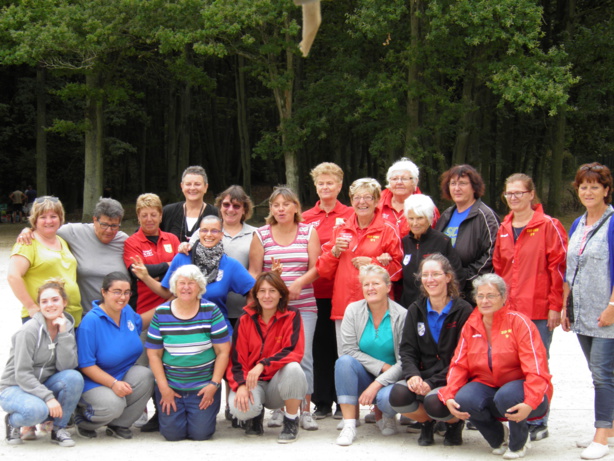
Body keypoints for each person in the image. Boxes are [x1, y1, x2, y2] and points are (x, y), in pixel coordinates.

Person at [437, 274, 552, 459]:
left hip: (521, 390)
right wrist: (449, 394)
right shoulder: (471, 325)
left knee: (506, 395)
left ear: (503, 297)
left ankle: (518, 443)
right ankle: (499, 438)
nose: (485, 301)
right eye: (480, 296)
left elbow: (536, 367)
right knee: (464, 398)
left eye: (491, 295)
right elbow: (459, 364)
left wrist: (531, 401)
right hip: (489, 386)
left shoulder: (519, 322)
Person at [493, 173, 567, 442]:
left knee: (537, 367)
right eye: (509, 193)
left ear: (531, 195)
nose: (513, 198)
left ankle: (539, 420)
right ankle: (513, 416)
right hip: (509, 311)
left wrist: (555, 306)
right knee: (511, 366)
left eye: (519, 193)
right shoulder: (504, 227)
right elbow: (499, 270)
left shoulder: (549, 225)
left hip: (537, 310)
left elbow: (558, 268)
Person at [249, 186, 321, 430]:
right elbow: (255, 273)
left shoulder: (309, 231)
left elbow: (316, 267)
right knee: (274, 354)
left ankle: (306, 409)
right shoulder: (261, 235)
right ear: (270, 209)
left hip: (304, 305)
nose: (281, 209)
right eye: (276, 205)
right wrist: (274, 278)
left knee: (305, 357)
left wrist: (299, 282)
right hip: (271, 307)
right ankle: (279, 409)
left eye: (286, 204)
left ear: (296, 207)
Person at [389, 254, 473, 446]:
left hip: (452, 375)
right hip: (423, 374)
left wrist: (432, 382)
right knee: (398, 395)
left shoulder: (464, 310)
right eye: (425, 275)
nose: (430, 279)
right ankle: (426, 423)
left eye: (436, 274)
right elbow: (407, 350)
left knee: (434, 402)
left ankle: (454, 424)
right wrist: (412, 376)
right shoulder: (415, 309)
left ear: (448, 277)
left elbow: (463, 357)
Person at [562, 163, 614, 460]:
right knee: (603, 372)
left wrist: (612, 307)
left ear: (606, 190)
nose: (589, 191)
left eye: (595, 186)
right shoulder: (578, 224)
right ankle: (611, 428)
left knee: (602, 376)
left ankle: (600, 436)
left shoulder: (612, 223)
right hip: (582, 313)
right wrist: (566, 306)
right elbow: (570, 270)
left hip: (607, 315)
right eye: (583, 186)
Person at [317, 178, 403, 354]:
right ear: (351, 200)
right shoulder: (340, 230)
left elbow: (398, 270)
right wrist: (334, 252)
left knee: (379, 360)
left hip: (377, 309)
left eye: (368, 197)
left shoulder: (387, 229)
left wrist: (373, 263)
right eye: (357, 197)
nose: (362, 202)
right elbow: (323, 271)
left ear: (377, 200)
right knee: (346, 362)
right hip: (344, 308)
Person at [146, 265, 231, 441]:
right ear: (174, 287)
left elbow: (223, 351)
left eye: (191, 283)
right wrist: (164, 388)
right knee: (172, 435)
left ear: (199, 287)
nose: (186, 287)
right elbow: (154, 354)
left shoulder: (211, 311)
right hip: (171, 387)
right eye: (182, 283)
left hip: (203, 388)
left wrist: (213, 385)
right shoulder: (161, 313)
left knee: (200, 434)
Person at [132, 215, 255, 333]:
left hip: (218, 330)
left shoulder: (230, 265)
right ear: (199, 233)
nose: (208, 235)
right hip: (183, 329)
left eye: (214, 231)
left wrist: (250, 321)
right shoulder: (182, 258)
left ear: (222, 235)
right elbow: (166, 293)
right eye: (204, 230)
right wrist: (145, 277)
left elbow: (254, 291)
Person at [0, 279, 84, 447]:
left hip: (42, 385)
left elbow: (66, 368)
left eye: (55, 300)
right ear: (39, 305)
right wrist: (48, 398)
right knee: (37, 411)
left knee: (74, 377)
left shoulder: (65, 327)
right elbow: (22, 374)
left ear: (64, 302)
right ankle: (12, 421)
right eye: (44, 301)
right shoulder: (28, 331)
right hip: (15, 387)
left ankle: (58, 429)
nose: (50, 305)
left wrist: (64, 335)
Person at [226, 272, 308, 443]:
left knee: (294, 368)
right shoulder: (244, 319)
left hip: (278, 384)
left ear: (280, 294)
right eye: (262, 291)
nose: (267, 296)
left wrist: (262, 364)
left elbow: (293, 351)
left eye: (272, 291)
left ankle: (291, 420)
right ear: (255, 294)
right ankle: (254, 417)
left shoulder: (292, 315)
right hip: (252, 383)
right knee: (240, 409)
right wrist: (240, 385)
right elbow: (236, 359)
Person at [75, 272, 154, 439]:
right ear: (104, 292)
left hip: (122, 373)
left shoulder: (126, 311)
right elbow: (86, 365)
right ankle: (83, 420)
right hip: (94, 381)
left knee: (146, 375)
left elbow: (139, 323)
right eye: (117, 291)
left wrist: (170, 304)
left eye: (127, 292)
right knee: (113, 404)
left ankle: (119, 424)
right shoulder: (91, 322)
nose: (122, 297)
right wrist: (114, 384)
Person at [16, 198, 130, 314]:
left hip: (118, 314)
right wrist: (28, 230)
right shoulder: (74, 232)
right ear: (95, 220)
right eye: (104, 225)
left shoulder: (123, 240)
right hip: (86, 314)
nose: (109, 230)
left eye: (114, 226)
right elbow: (47, 228)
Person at [302, 162, 353, 420]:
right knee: (319, 347)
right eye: (321, 183)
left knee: (341, 348)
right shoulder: (306, 217)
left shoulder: (352, 213)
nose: (325, 187)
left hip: (344, 291)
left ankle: (340, 400)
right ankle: (322, 401)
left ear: (340, 185)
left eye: (330, 182)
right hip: (316, 290)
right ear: (315, 186)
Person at [334, 265, 406, 446]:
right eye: (366, 284)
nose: (370, 288)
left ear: (388, 287)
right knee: (344, 362)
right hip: (364, 374)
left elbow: (404, 360)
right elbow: (348, 350)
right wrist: (380, 366)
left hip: (392, 378)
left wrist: (377, 383)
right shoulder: (353, 310)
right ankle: (349, 424)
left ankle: (388, 415)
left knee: (385, 398)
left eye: (376, 283)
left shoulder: (402, 315)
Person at [8, 196, 82, 324]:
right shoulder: (27, 243)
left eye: (53, 216)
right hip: (43, 317)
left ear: (60, 218)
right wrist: (31, 307)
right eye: (42, 217)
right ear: (35, 220)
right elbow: (13, 276)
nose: (49, 221)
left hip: (71, 316)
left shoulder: (62, 241)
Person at [435, 165, 500, 300]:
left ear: (474, 187)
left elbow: (493, 253)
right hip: (446, 288)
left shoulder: (485, 216)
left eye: (462, 183)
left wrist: (465, 276)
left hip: (473, 292)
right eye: (453, 183)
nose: (457, 188)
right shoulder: (446, 215)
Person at [400, 194, 463, 308]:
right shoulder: (404, 242)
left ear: (429, 219)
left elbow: (456, 275)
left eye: (420, 218)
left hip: (436, 306)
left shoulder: (442, 241)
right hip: (409, 307)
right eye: (411, 218)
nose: (415, 223)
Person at [123, 193, 180, 314]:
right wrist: (169, 266)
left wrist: (150, 275)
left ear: (160, 216)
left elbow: (180, 270)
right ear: (138, 217)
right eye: (144, 215)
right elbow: (136, 272)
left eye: (153, 215)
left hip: (173, 309)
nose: (149, 219)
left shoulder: (172, 239)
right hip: (143, 309)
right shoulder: (131, 242)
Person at [379, 157, 440, 238]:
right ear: (389, 182)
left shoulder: (426, 206)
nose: (399, 182)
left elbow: (435, 236)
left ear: (415, 181)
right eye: (394, 179)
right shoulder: (376, 203)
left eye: (404, 179)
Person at [160, 165, 218, 242]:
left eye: (197, 184)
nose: (192, 188)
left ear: (205, 187)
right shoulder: (167, 212)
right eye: (188, 184)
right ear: (182, 186)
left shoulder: (216, 214)